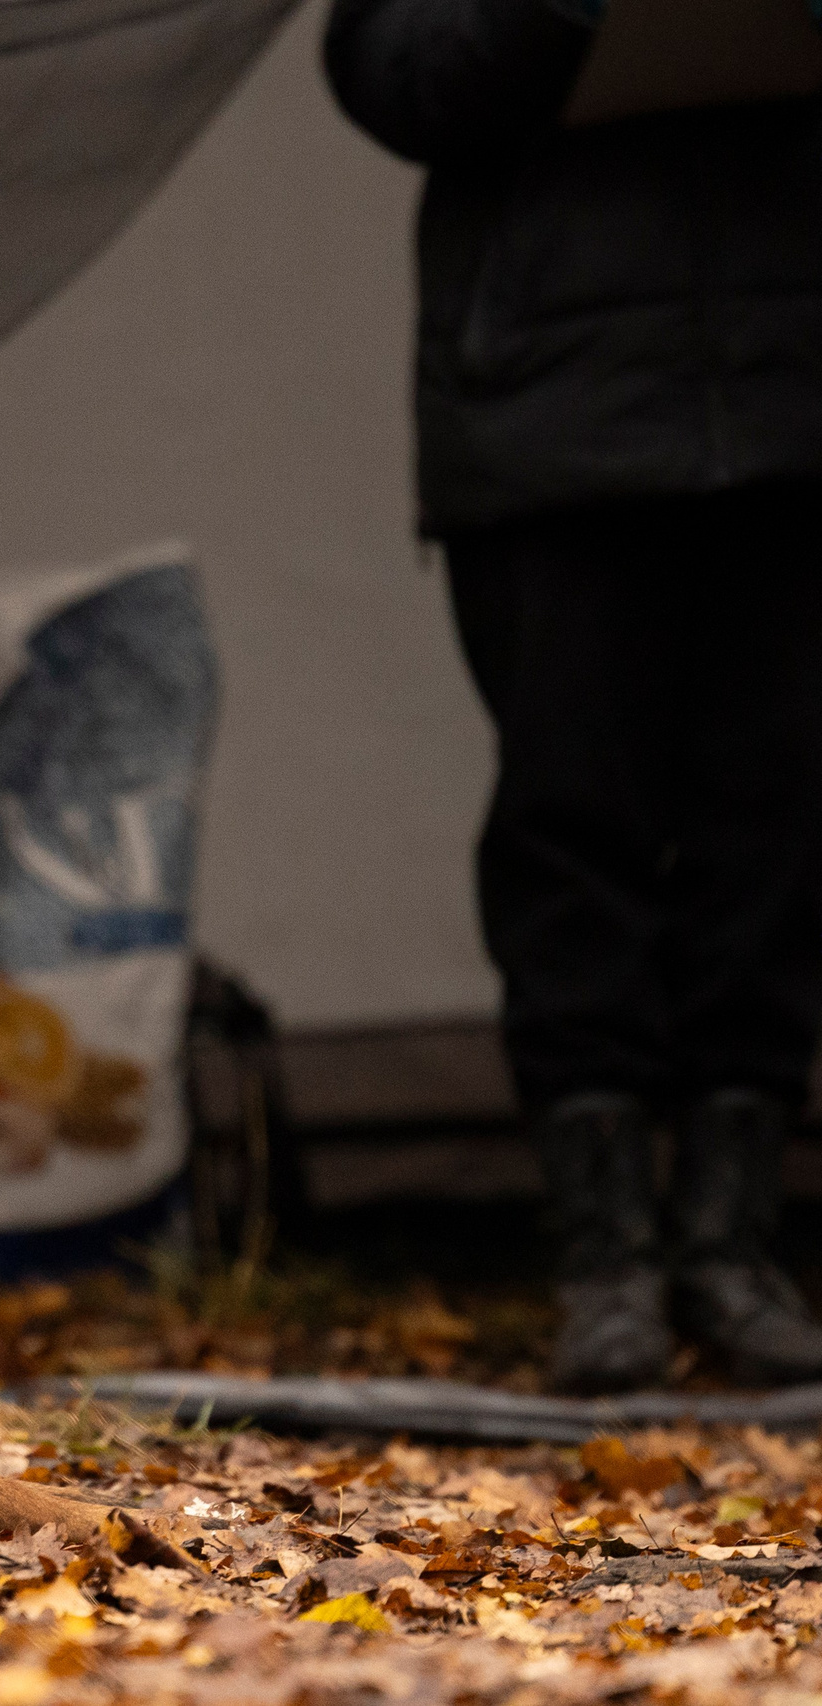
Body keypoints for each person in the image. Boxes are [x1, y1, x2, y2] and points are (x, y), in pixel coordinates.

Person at [325, 0, 822, 1391]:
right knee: (571, 828)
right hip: (551, 424)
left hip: (792, 409)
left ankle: (735, 1246)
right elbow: (392, 80)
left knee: (774, 830)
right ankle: (605, 1262)